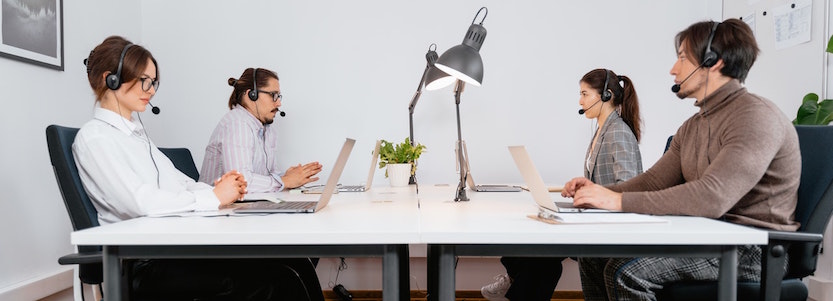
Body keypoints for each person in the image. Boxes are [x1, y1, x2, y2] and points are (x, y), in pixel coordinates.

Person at [562, 19, 800, 301]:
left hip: (751, 248)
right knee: (594, 253)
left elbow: (712, 196)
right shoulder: (693, 125)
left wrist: (616, 202)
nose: (673, 69)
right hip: (708, 234)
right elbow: (653, 181)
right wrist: (598, 193)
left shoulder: (755, 117)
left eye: (683, 58)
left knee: (626, 271)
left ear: (713, 61)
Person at [74, 36, 324, 300]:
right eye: (144, 81)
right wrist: (212, 197)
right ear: (109, 79)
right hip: (146, 264)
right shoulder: (96, 138)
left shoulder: (137, 137)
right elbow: (141, 202)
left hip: (169, 249)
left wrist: (221, 190)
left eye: (154, 82)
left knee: (295, 264)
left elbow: (181, 183)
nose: (152, 90)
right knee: (279, 278)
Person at [481, 68, 643, 301]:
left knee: (539, 257)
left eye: (585, 94)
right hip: (594, 216)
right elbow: (603, 181)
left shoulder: (618, 133)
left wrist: (592, 194)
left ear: (606, 95)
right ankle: (515, 283)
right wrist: (583, 189)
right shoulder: (602, 130)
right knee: (535, 256)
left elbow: (629, 187)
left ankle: (515, 285)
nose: (580, 100)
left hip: (607, 223)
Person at [200, 68, 322, 192]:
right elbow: (240, 181)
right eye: (273, 95)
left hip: (246, 204)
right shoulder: (237, 124)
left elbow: (266, 177)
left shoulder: (266, 129)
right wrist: (285, 181)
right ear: (251, 95)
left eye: (279, 96)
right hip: (215, 207)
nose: (279, 103)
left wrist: (287, 177)